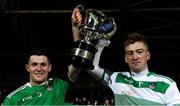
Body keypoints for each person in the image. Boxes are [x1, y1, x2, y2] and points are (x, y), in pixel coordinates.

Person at [71, 8, 180, 105]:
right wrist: (101, 43)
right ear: (126, 59)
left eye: (139, 52)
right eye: (130, 53)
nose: (135, 57)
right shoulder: (117, 79)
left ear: (148, 55)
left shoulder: (166, 84)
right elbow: (92, 67)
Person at [2, 48, 80, 105]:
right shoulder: (13, 99)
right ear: (27, 68)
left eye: (43, 64)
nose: (39, 69)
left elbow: (77, 64)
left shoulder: (58, 85)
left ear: (49, 67)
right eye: (34, 64)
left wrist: (76, 33)